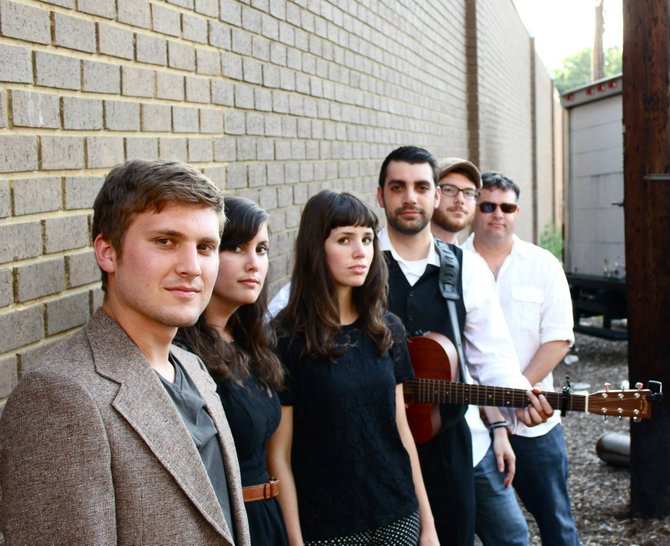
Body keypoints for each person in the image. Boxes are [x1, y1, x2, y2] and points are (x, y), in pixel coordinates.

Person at [0, 159, 250, 546]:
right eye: (165, 241)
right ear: (108, 253)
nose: (191, 267)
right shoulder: (60, 397)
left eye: (205, 247)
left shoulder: (191, 366)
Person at [376, 146, 553, 546]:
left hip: (448, 447)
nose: (410, 197)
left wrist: (519, 397)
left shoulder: (463, 266)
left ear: (434, 197)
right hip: (374, 445)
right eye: (397, 187)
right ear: (380, 194)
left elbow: (492, 356)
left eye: (421, 187)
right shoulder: (358, 257)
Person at [268, 190, 439, 546]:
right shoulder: (286, 338)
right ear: (317, 248)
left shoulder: (385, 329)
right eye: (344, 240)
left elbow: (401, 432)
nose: (361, 251)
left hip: (398, 516)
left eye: (366, 239)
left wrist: (428, 523)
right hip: (327, 529)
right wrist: (295, 540)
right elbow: (279, 455)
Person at [465, 171, 579, 546]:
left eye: (507, 207)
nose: (498, 214)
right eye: (487, 206)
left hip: (534, 422)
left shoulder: (543, 264)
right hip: (472, 428)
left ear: (517, 211)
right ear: (474, 209)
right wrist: (492, 408)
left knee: (558, 525)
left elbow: (559, 339)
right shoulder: (453, 264)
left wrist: (515, 394)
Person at [177, 196, 289, 546]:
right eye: (238, 248)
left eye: (262, 249)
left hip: (270, 518)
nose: (254, 263)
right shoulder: (182, 352)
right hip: (229, 524)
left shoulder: (252, 343)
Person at [432, 158, 530, 546]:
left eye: (469, 193)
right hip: (414, 446)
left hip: (474, 438)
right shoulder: (387, 265)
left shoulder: (468, 269)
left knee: (512, 535)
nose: (460, 200)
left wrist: (500, 427)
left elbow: (481, 364)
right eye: (449, 190)